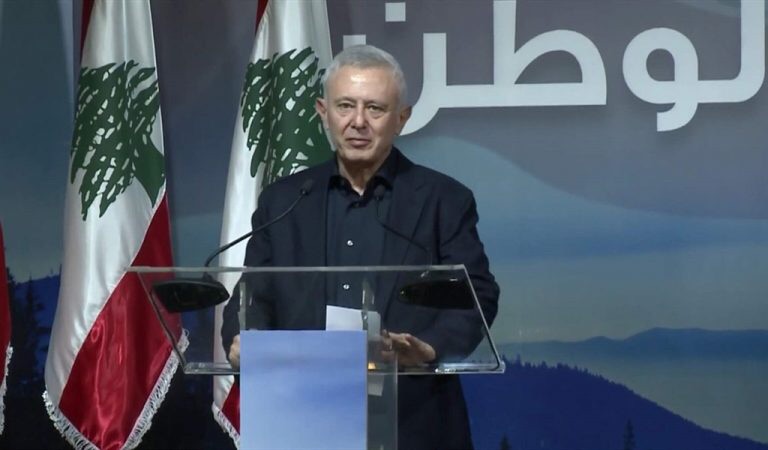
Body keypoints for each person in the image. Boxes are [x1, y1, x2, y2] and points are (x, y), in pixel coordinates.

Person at [222, 44, 499, 450]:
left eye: (375, 109)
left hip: (411, 419)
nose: (358, 122)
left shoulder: (443, 200)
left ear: (401, 118)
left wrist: (427, 348)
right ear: (323, 112)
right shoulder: (283, 201)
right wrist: (247, 340)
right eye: (345, 106)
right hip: (300, 415)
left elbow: (477, 296)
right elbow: (252, 297)